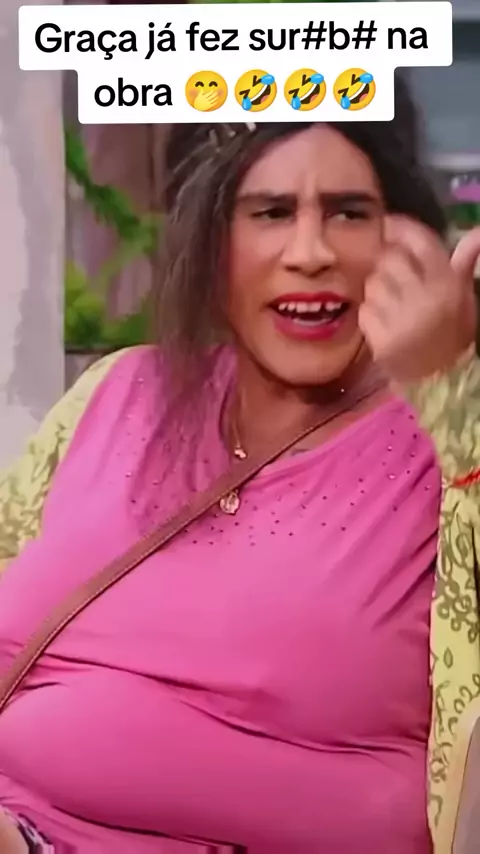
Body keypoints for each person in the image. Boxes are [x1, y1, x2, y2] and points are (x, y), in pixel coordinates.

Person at [0, 77, 480, 853]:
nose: (311, 253)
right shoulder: (115, 392)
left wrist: (451, 388)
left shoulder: (449, 442)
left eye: (349, 213)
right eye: (271, 212)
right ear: (211, 242)